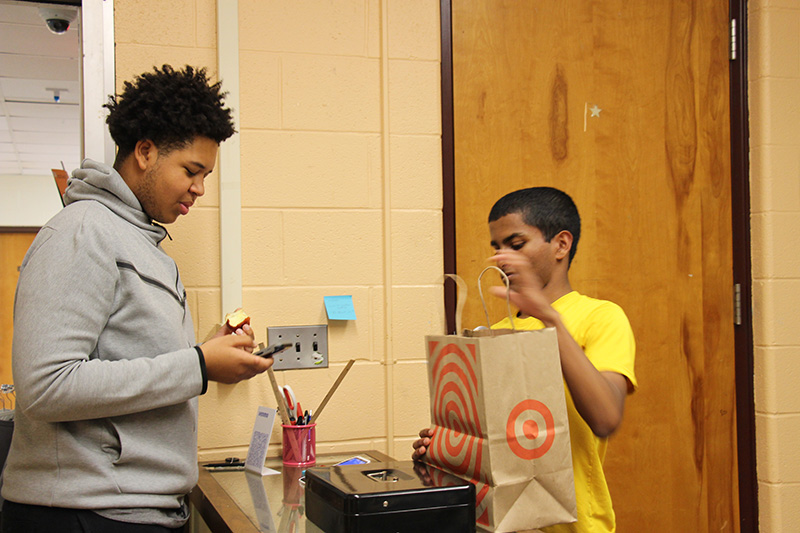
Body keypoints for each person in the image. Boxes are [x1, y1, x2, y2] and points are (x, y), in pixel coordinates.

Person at [1, 65, 275, 532]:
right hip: (86, 513)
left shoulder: (146, 247)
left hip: (140, 508)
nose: (200, 189)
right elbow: (45, 386)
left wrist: (211, 357)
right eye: (191, 171)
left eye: (207, 175)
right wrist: (198, 366)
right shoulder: (83, 231)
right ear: (145, 152)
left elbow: (140, 364)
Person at [412, 187, 637, 533]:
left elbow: (606, 418)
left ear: (561, 244)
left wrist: (549, 318)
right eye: (497, 247)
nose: (502, 258)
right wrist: (443, 452)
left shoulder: (599, 317)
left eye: (516, 245)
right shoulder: (497, 332)